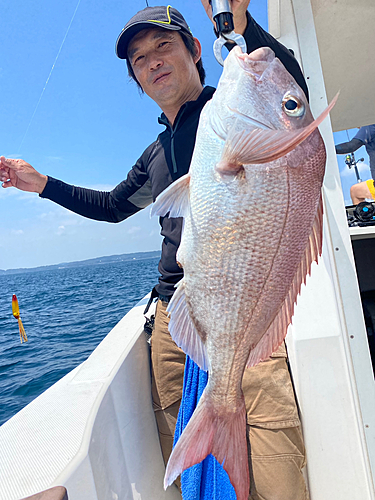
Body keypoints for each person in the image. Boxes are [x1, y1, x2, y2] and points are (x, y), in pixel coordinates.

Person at [0, 3, 310, 498]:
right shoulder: (155, 153)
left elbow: (288, 92)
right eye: (139, 58)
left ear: (194, 50)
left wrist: (239, 24)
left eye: (164, 45)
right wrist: (42, 185)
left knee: (270, 435)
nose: (152, 61)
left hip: (240, 309)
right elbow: (112, 207)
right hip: (173, 310)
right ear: (137, 80)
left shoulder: (234, 109)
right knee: (179, 431)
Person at [335, 124, 375, 204]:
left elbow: (351, 146)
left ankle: (364, 216)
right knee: (355, 191)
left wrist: (326, 149)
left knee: (355, 192)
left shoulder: (369, 126)